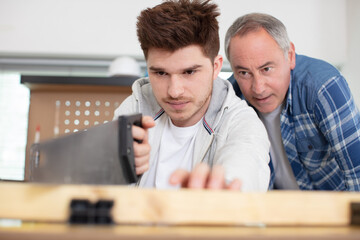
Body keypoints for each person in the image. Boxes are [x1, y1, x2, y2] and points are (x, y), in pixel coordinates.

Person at [114, 0, 270, 191]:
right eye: (161, 73)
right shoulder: (134, 108)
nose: (174, 91)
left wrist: (225, 191)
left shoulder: (241, 122)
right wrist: (112, 166)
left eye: (189, 72)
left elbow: (245, 167)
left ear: (215, 67)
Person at [225, 13, 360, 191]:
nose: (258, 88)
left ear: (290, 56)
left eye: (266, 69)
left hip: (333, 210)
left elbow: (357, 174)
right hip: (277, 212)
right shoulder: (231, 99)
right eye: (243, 73)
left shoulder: (322, 87)